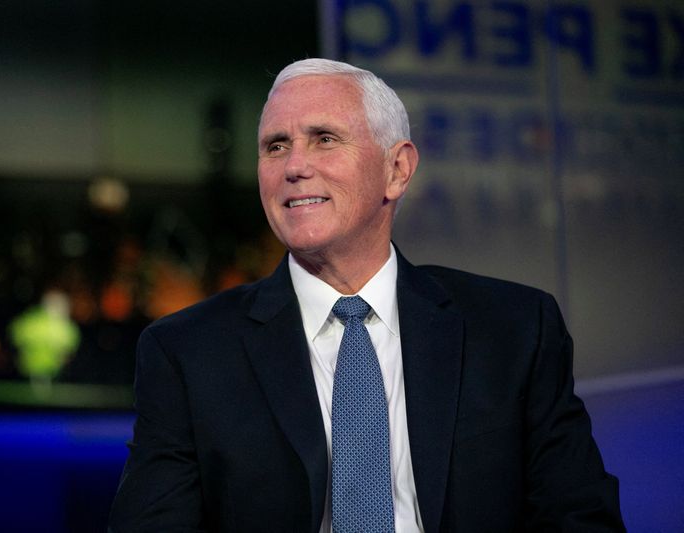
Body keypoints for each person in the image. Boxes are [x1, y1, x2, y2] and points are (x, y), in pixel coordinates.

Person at [109, 58, 625, 532]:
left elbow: (580, 519)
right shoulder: (188, 352)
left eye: (325, 139)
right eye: (276, 145)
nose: (293, 166)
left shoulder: (515, 330)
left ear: (397, 170)